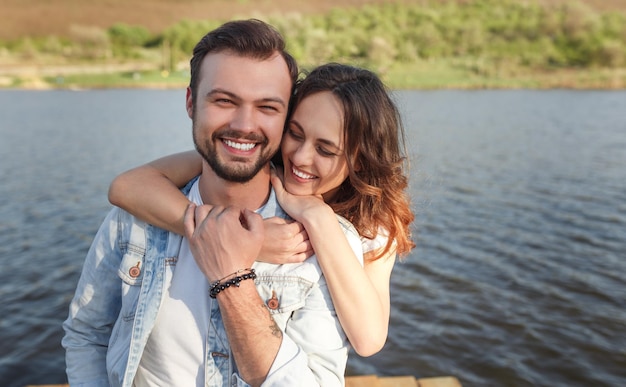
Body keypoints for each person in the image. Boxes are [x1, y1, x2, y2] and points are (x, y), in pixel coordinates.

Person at [62, 19, 364, 387]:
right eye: (224, 100)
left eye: (267, 107)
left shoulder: (324, 243)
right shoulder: (134, 218)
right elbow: (86, 335)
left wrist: (233, 279)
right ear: (191, 102)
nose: (243, 124)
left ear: (286, 119)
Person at [108, 63, 416, 357]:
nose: (300, 156)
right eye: (295, 133)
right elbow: (126, 187)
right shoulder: (252, 163)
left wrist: (317, 216)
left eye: (325, 149)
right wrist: (237, 237)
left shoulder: (375, 224)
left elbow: (369, 339)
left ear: (360, 159)